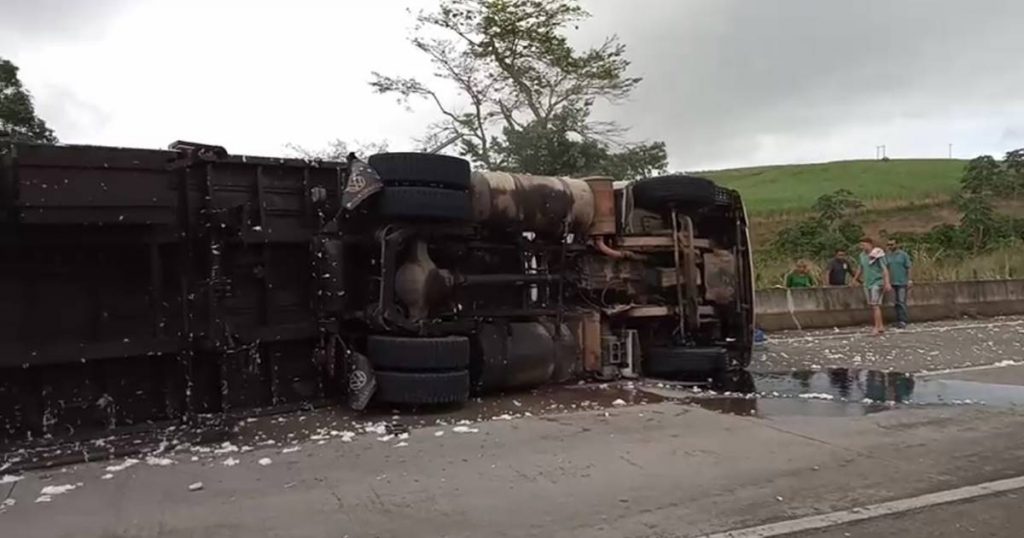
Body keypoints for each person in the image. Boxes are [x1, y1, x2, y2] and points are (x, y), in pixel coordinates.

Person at [852, 237, 892, 336]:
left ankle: (877, 327)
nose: (862, 247)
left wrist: (887, 282)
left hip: (877, 282)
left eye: (864, 244)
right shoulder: (862, 255)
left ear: (870, 244)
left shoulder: (877, 254)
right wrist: (855, 279)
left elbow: (884, 269)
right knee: (873, 305)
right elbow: (860, 268)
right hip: (867, 283)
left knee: (875, 305)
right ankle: (880, 326)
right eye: (861, 245)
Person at [886, 239, 913, 328]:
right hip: (892, 282)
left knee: (901, 301)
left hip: (902, 282)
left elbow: (909, 267)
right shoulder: (887, 256)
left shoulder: (903, 255)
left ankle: (903, 320)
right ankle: (898, 320)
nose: (890, 246)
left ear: (896, 244)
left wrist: (909, 280)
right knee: (895, 303)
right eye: (888, 245)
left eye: (892, 244)